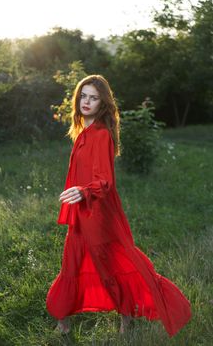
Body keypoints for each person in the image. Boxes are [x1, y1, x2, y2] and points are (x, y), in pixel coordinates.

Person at [46, 74, 192, 336]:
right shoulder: (83, 133)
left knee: (109, 265)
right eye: (83, 96)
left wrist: (83, 191)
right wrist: (78, 193)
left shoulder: (101, 134)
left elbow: (105, 181)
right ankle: (63, 321)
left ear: (103, 103)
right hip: (82, 211)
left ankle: (128, 316)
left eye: (93, 97)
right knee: (72, 262)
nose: (86, 102)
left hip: (98, 212)